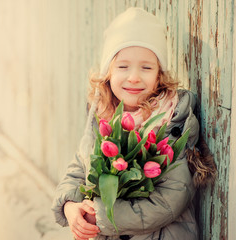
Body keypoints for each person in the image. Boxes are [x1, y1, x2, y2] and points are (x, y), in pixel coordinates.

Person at [51, 7, 216, 240]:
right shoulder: (102, 113)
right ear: (108, 71)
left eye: (146, 67)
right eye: (123, 66)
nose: (134, 77)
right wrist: (70, 206)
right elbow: (80, 166)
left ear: (160, 74)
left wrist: (101, 216)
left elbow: (170, 199)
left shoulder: (171, 119)